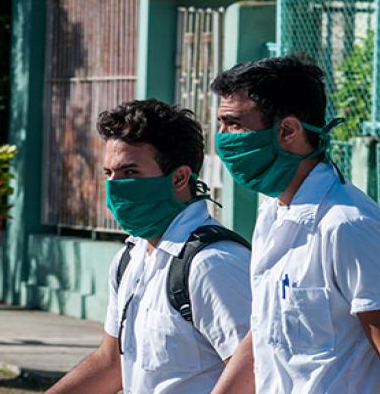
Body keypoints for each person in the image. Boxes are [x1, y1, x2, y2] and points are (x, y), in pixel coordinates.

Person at [209, 55, 380, 394]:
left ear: (288, 130)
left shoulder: (348, 225)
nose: (222, 139)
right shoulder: (272, 213)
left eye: (234, 124)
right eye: (220, 124)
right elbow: (264, 333)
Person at [47, 99, 252, 394]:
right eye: (109, 173)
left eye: (131, 173)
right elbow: (111, 363)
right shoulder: (130, 258)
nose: (115, 186)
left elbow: (258, 372)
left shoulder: (213, 264)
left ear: (179, 178)